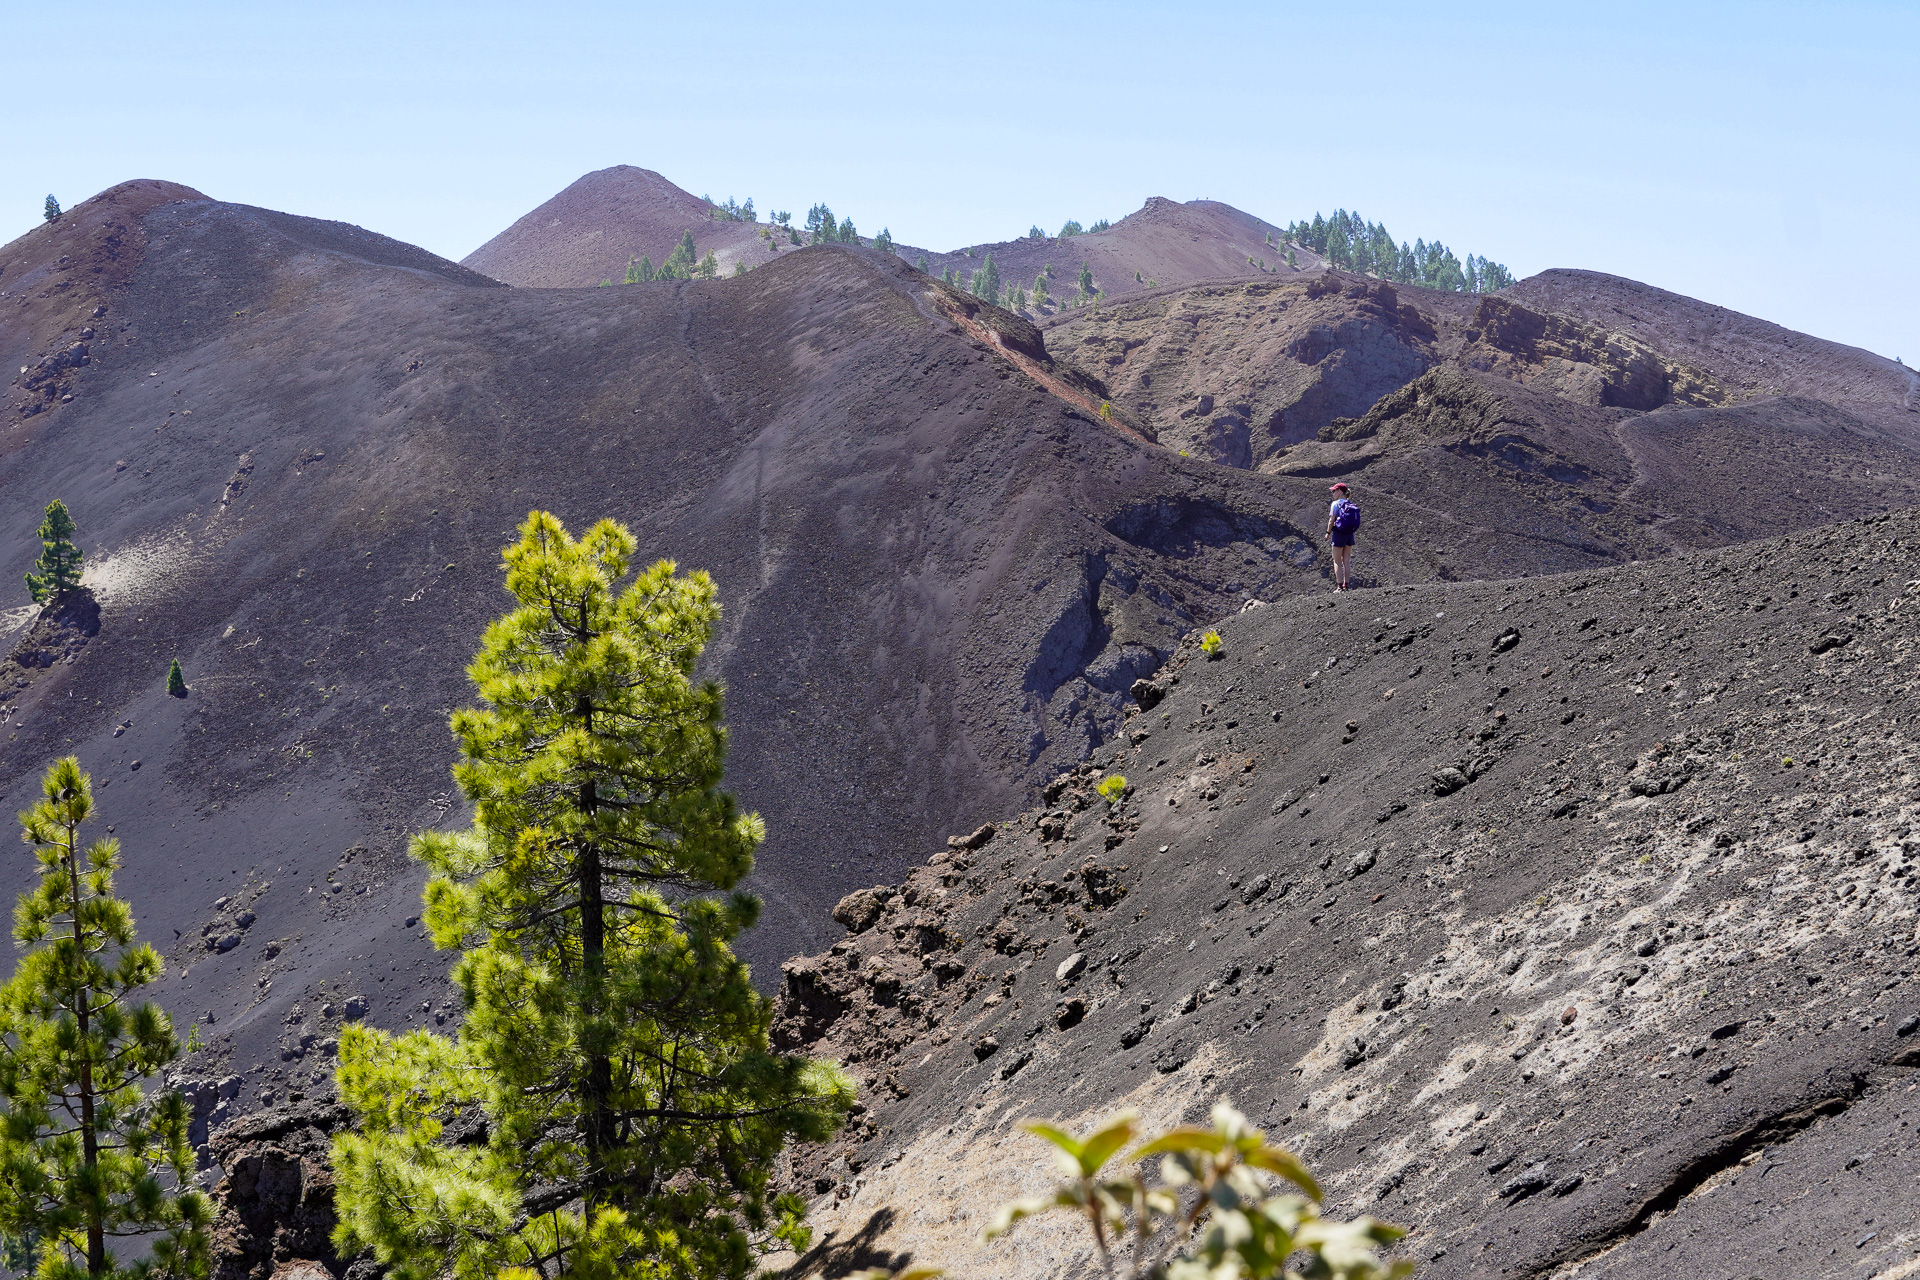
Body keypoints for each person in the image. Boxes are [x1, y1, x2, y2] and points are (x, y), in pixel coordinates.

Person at [1326, 482, 1359, 591]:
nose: (1333, 493)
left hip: (1339, 534)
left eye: (1334, 491)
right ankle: (1347, 585)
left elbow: (1331, 520)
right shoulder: (1350, 503)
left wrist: (1328, 532)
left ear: (1340, 492)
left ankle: (1340, 587)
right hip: (1350, 535)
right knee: (1346, 561)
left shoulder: (1335, 504)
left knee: (1337, 561)